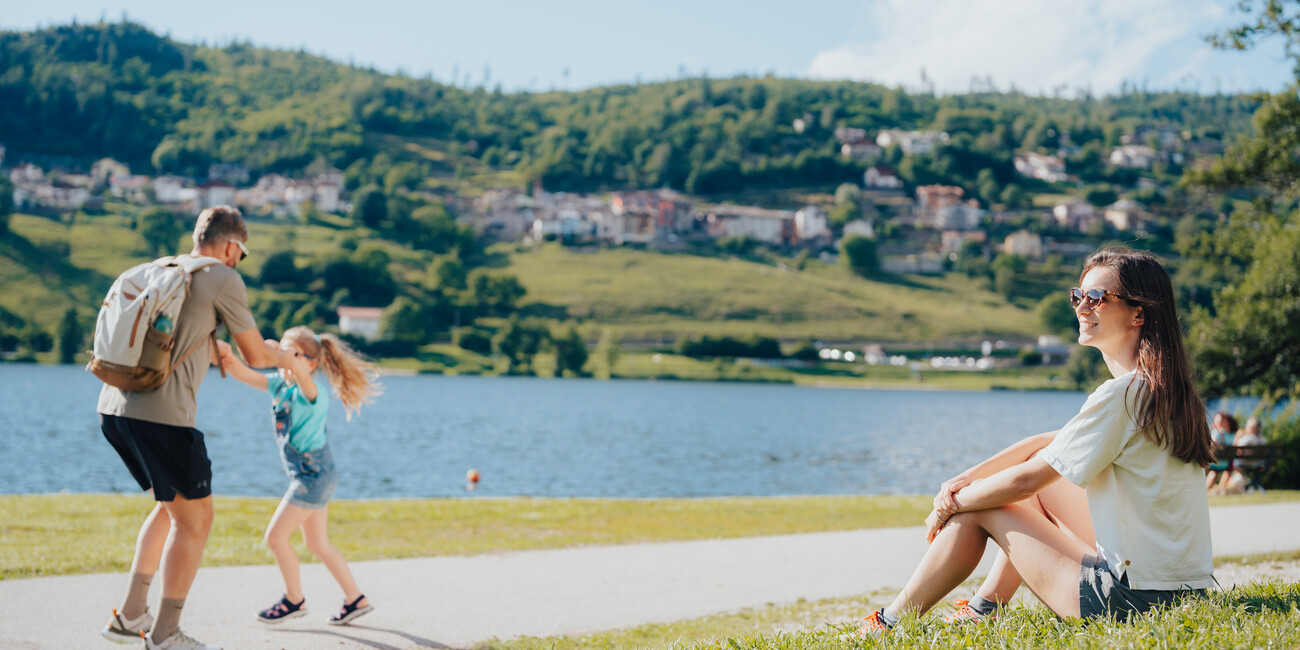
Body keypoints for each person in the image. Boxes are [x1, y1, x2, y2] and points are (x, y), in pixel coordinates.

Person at [855, 246, 1216, 636]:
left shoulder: (1121, 396)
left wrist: (952, 506)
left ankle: (889, 622)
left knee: (984, 507)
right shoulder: (1165, 392)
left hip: (1129, 602)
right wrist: (963, 479)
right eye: (1078, 296)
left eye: (1097, 298)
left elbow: (1027, 480)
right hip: (1185, 593)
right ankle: (984, 608)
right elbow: (1046, 443)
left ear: (1138, 313)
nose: (1082, 307)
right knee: (1019, 492)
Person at [99, 206, 295, 650]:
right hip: (162, 417)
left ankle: (131, 616)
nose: (238, 263)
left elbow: (203, 348)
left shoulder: (159, 270)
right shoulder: (223, 278)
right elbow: (257, 356)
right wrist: (286, 358)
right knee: (197, 519)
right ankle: (165, 634)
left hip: (114, 407)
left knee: (172, 508)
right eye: (240, 255)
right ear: (231, 246)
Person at [216, 325, 381, 626]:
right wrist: (227, 356)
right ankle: (355, 598)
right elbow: (244, 373)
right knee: (318, 544)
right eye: (284, 351)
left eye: (293, 353)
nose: (285, 358)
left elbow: (298, 373)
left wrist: (279, 354)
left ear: (312, 362)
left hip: (313, 475)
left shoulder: (311, 392)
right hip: (312, 475)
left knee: (276, 537)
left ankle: (294, 599)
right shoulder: (281, 385)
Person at [1213, 418, 1266, 494]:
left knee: (1230, 465)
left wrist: (1238, 436)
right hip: (1258, 464)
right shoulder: (1263, 438)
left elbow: (1236, 446)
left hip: (1244, 464)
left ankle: (1223, 487)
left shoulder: (1247, 438)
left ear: (1252, 428)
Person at [1205, 412, 1238, 491]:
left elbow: (1212, 445)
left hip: (1215, 463)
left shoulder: (1216, 432)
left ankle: (1206, 489)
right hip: (1226, 463)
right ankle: (1221, 488)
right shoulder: (1232, 434)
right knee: (1226, 471)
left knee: (1213, 473)